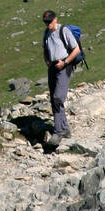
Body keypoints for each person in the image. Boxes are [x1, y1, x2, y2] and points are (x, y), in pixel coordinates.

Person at [42, 11, 80, 143]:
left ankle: (58, 132)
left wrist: (65, 62)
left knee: (58, 98)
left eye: (50, 21)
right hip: (52, 67)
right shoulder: (46, 33)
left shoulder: (63, 30)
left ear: (56, 20)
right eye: (46, 22)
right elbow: (45, 50)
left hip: (64, 66)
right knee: (54, 99)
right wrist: (47, 60)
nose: (48, 24)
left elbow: (76, 49)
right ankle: (65, 129)